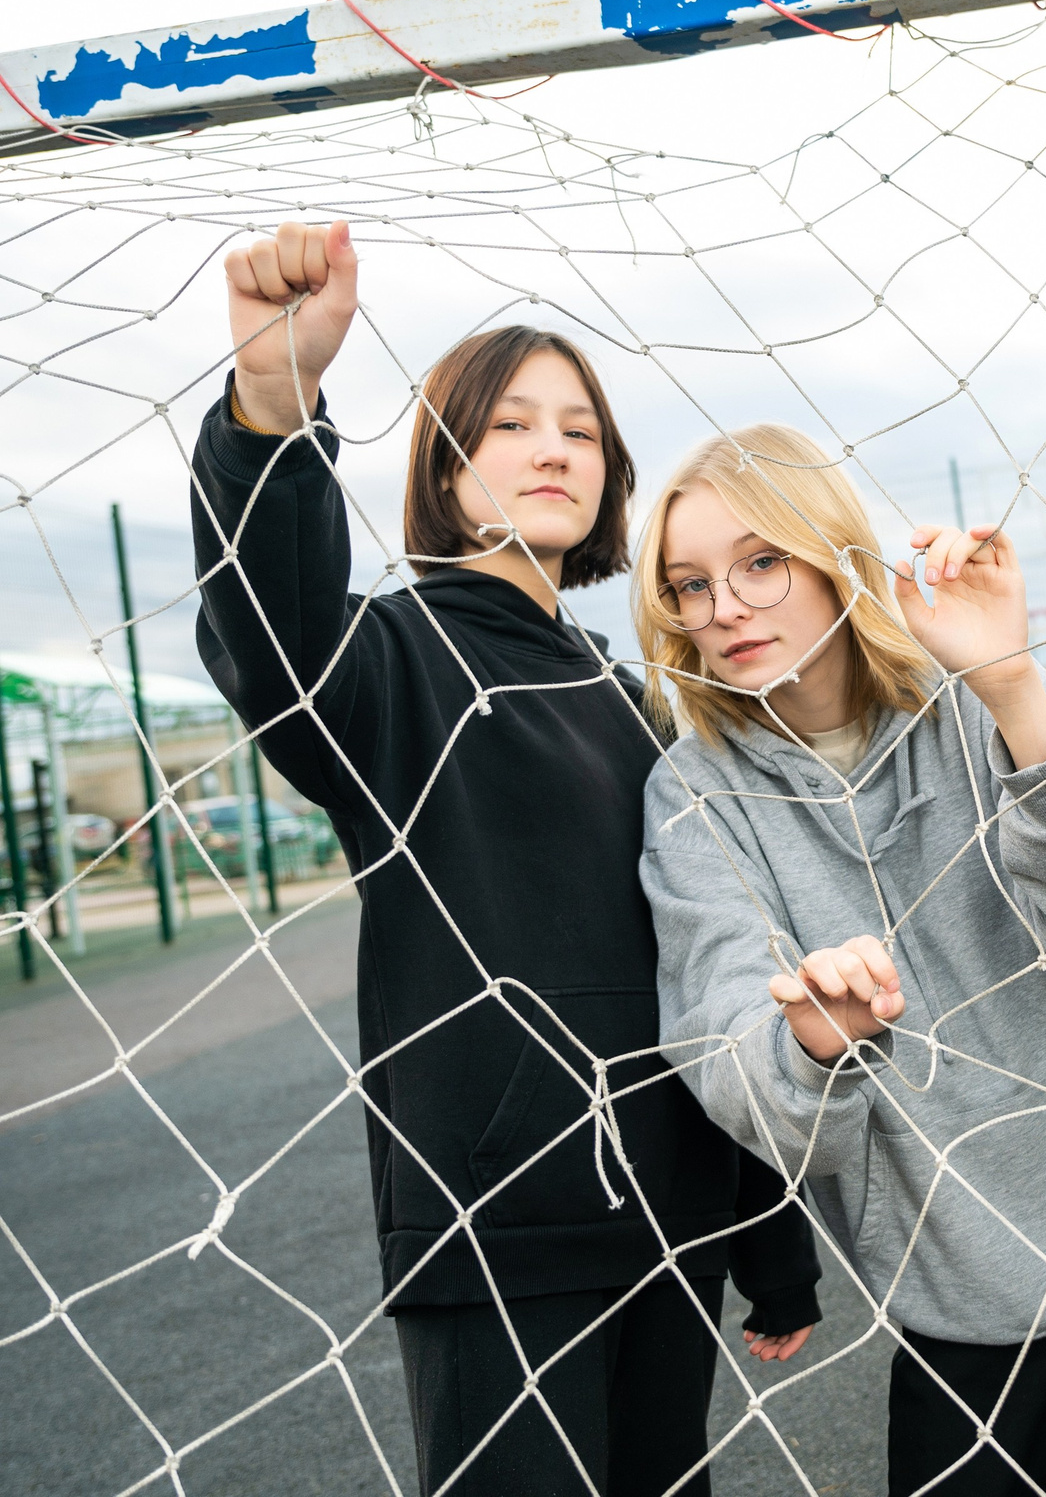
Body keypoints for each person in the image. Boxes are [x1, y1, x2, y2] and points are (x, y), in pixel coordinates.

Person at [192, 223, 821, 1497]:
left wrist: (768, 1231)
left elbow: (709, 962)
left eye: (579, 430)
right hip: (495, 1224)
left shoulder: (631, 693)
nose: (551, 448)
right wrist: (275, 396)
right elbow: (274, 638)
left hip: (668, 1214)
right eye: (512, 425)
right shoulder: (389, 664)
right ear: (444, 463)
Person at [635, 423, 1046, 1497]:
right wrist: (805, 1043)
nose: (723, 606)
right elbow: (727, 1044)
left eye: (760, 562)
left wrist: (1016, 689)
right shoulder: (692, 792)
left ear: (833, 559)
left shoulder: (968, 698)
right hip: (956, 1283)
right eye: (689, 585)